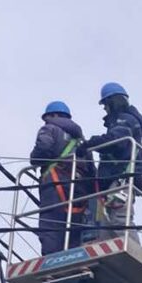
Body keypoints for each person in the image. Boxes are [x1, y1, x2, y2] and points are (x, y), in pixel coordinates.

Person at [84, 82, 142, 245]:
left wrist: (90, 144)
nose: (105, 109)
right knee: (107, 227)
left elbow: (116, 141)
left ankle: (133, 253)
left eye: (106, 105)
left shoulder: (124, 119)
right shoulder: (125, 120)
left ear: (113, 102)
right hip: (115, 180)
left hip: (121, 178)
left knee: (120, 220)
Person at [29, 101, 97, 255]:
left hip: (55, 183)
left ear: (53, 115)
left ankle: (50, 261)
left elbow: (43, 148)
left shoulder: (49, 128)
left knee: (52, 222)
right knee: (74, 222)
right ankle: (73, 257)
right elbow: (92, 171)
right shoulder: (81, 141)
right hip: (80, 189)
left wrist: (34, 159)